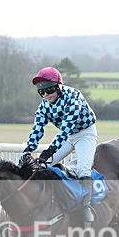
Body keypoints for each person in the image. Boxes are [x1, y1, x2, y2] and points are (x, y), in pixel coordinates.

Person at [21, 67, 98, 222]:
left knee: (83, 170)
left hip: (85, 133)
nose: (45, 95)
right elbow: (38, 127)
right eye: (41, 92)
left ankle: (86, 207)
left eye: (48, 91)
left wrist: (48, 152)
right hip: (69, 136)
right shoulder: (44, 104)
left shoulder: (73, 98)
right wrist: (29, 148)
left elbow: (64, 130)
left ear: (58, 86)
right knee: (40, 166)